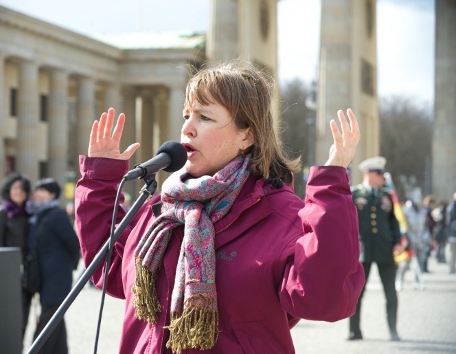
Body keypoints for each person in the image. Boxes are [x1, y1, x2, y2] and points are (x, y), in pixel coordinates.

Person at [75, 60, 365, 354]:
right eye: (186, 115)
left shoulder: (281, 215)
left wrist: (330, 190)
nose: (187, 128)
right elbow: (106, 266)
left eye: (204, 118)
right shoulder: (159, 211)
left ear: (247, 136)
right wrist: (100, 179)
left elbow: (324, 300)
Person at [348, 156, 402, 341]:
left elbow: (394, 222)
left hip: (386, 250)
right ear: (368, 173)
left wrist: (397, 242)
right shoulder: (354, 194)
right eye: (379, 173)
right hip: (362, 251)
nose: (381, 177)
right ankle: (354, 331)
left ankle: (393, 330)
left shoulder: (386, 196)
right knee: (356, 294)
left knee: (390, 293)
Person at [28, 178, 80, 353]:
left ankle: (36, 350)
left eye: (42, 190)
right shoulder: (38, 214)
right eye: (37, 190)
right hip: (45, 276)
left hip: (57, 276)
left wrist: (68, 267)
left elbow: (73, 243)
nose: (37, 193)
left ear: (52, 194)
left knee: (49, 317)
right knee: (55, 318)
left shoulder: (57, 214)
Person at [0, 173, 33, 341]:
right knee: (12, 316)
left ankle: (20, 346)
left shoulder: (30, 212)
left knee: (25, 317)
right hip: (10, 272)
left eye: (22, 188)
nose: (19, 191)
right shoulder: (2, 213)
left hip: (29, 272)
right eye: (15, 188)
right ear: (9, 190)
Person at [398, 189, 428, 291]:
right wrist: (405, 238)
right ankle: (399, 281)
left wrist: (425, 238)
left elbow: (425, 226)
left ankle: (416, 282)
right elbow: (402, 225)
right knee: (404, 263)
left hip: (420, 241)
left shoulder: (422, 212)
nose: (418, 199)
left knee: (419, 262)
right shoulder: (405, 210)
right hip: (409, 241)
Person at [448, 192, 456, 274]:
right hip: (453, 235)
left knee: (453, 253)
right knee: (453, 253)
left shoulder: (451, 207)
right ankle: (452, 268)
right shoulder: (452, 207)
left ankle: (452, 268)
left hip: (452, 235)